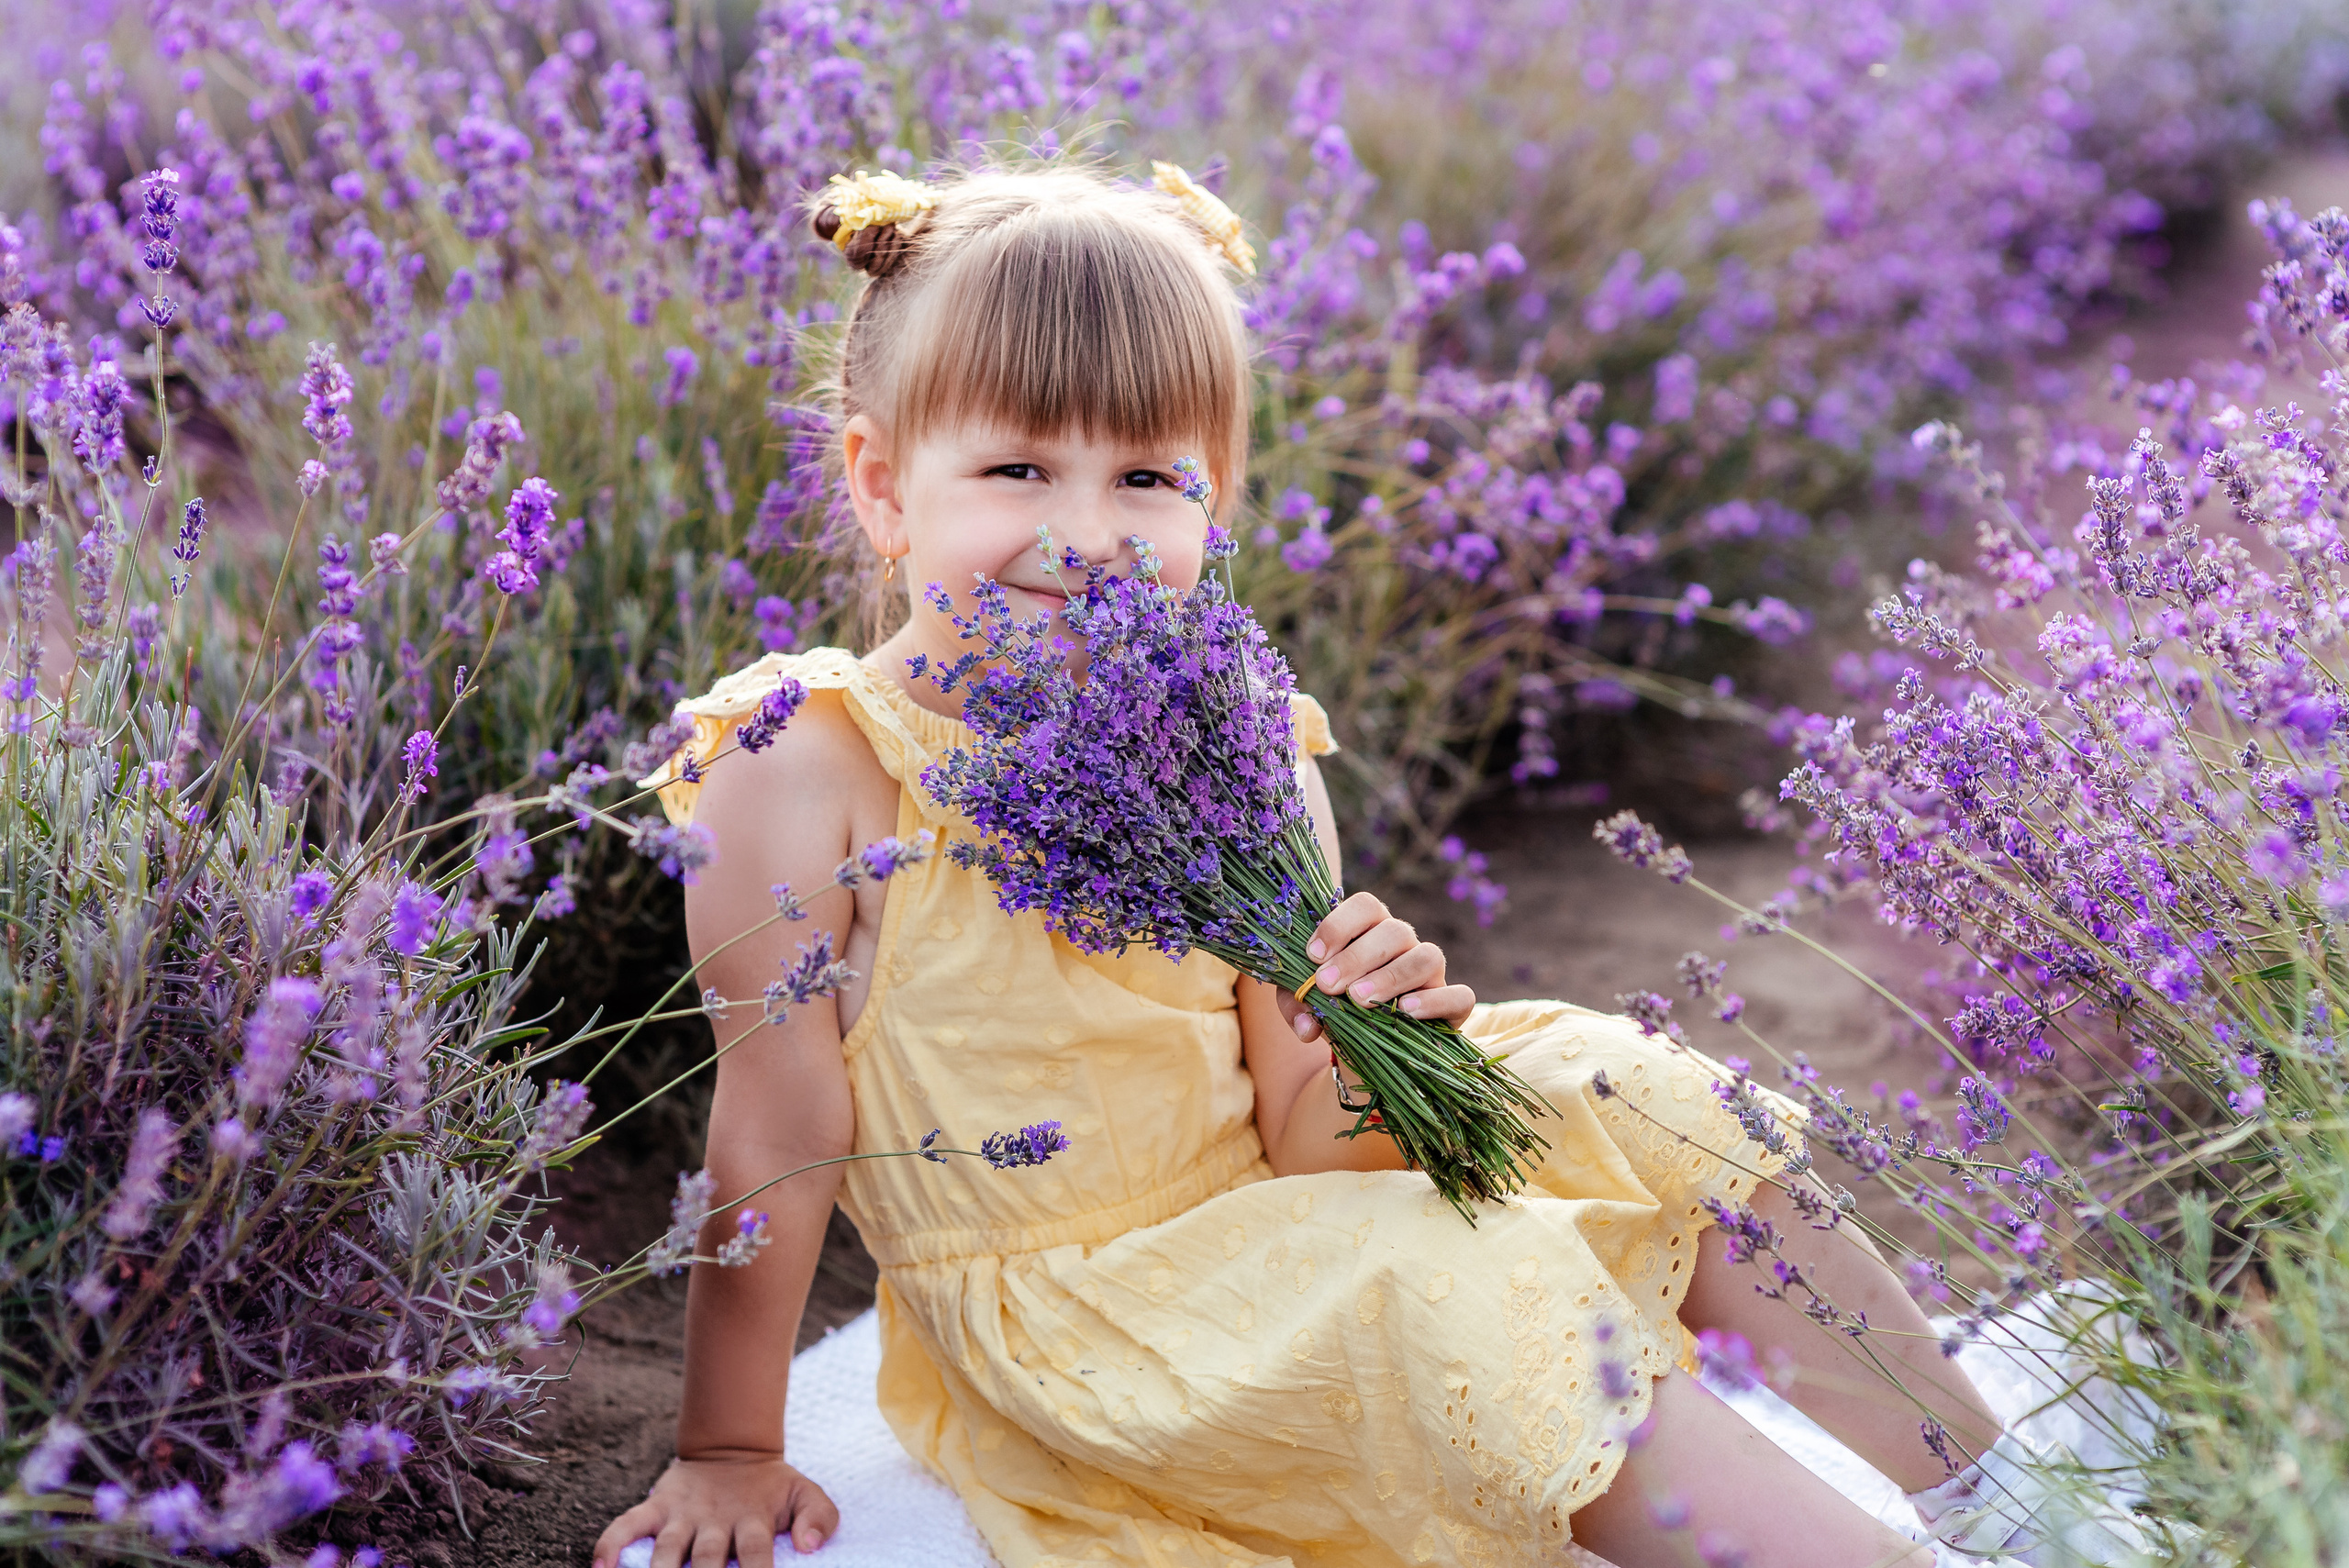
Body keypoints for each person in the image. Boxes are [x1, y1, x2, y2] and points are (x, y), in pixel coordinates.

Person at [592, 161, 2136, 1568]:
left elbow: (1307, 1143)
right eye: (1016, 468)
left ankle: (2016, 1507)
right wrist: (729, 1446)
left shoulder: (1242, 740)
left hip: (1268, 1209)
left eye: (1147, 479)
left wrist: (1362, 1029)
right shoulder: (809, 763)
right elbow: (777, 1122)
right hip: (1087, 1319)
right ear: (881, 483)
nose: (1086, 531)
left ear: (1214, 498)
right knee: (1465, 1289)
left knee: (1634, 1091)